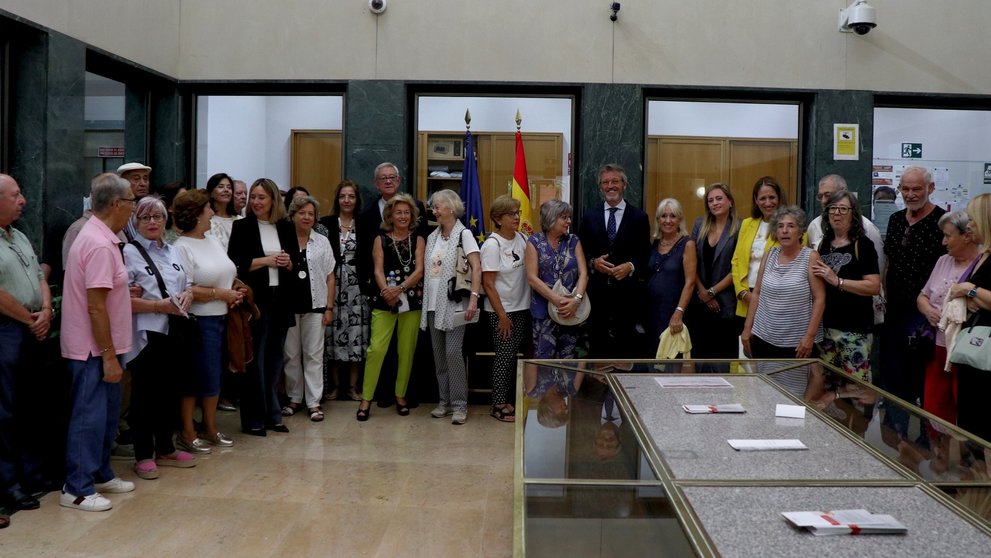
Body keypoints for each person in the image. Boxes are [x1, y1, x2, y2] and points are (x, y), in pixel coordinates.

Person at [60, 173, 137, 511]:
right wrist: (107, 356)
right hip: (92, 349)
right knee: (88, 417)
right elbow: (95, 306)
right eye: (132, 201)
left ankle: (101, 472)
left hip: (108, 347)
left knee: (106, 415)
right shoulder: (97, 242)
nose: (134, 208)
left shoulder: (107, 238)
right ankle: (76, 487)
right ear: (117, 204)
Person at [121, 197, 198, 480]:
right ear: (135, 222)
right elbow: (125, 297)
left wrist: (189, 294)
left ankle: (166, 447)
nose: (152, 222)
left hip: (174, 329)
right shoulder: (129, 252)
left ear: (166, 220)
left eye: (158, 217)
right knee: (145, 395)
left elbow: (186, 283)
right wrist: (158, 305)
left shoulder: (173, 251)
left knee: (170, 391)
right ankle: (143, 453)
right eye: (145, 218)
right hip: (146, 331)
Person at [172, 189, 243, 451]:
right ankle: (188, 432)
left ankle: (211, 427)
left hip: (222, 317)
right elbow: (186, 288)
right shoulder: (181, 247)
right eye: (208, 209)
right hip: (197, 322)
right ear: (197, 213)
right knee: (194, 377)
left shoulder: (211, 238)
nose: (213, 213)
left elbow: (225, 271)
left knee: (215, 376)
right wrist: (221, 293)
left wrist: (235, 289)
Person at [0, 174, 53, 522]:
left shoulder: (17, 235)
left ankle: (32, 473)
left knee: (30, 404)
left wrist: (47, 310)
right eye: (16, 195)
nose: (24, 200)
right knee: (3, 410)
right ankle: (8, 484)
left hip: (34, 325)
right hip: (8, 328)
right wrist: (29, 319)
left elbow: (38, 277)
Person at [228, 178, 296, 436]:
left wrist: (287, 262)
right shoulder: (242, 227)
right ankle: (253, 419)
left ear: (273, 201)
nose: (255, 202)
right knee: (256, 359)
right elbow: (237, 262)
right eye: (253, 197)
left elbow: (294, 265)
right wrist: (267, 260)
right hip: (256, 301)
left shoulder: (286, 227)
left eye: (261, 197)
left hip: (281, 300)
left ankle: (273, 415)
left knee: (275, 359)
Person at [881, 166, 946, 408]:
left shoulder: (941, 221)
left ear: (930, 188)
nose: (910, 194)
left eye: (916, 188)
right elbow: (889, 262)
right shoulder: (895, 220)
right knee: (891, 373)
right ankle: (891, 432)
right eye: (905, 189)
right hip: (894, 310)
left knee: (919, 378)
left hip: (925, 314)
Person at [356, 193, 425, 421]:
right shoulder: (380, 238)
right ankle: (366, 400)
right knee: (376, 350)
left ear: (412, 215)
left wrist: (400, 289)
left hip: (411, 299)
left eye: (407, 212)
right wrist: (388, 291)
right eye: (398, 212)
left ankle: (401, 396)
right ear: (390, 215)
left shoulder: (418, 239)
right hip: (384, 300)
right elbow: (377, 269)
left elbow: (420, 270)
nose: (403, 216)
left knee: (406, 351)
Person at [577, 163, 650, 358]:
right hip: (597, 296)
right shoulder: (589, 217)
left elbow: (645, 254)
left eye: (615, 181)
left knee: (626, 349)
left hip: (627, 297)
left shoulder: (639, 217)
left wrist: (630, 266)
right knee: (597, 350)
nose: (610, 186)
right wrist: (593, 262)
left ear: (624, 184)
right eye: (605, 182)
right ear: (600, 187)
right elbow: (581, 252)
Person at [420, 190, 480, 425]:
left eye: (438, 206)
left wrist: (474, 298)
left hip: (455, 305)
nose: (434, 211)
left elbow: (477, 267)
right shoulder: (433, 236)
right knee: (440, 357)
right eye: (433, 207)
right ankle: (443, 402)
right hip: (433, 304)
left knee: (454, 354)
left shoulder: (464, 234)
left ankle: (459, 405)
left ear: (452, 208)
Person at [810, 191, 881, 381]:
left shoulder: (863, 245)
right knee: (825, 386)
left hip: (854, 330)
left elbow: (874, 286)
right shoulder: (823, 244)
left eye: (843, 209)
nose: (837, 213)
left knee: (856, 387)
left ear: (853, 213)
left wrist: (838, 281)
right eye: (832, 208)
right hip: (826, 329)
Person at [917, 211, 978, 424]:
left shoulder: (982, 264)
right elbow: (922, 296)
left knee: (964, 415)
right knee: (933, 410)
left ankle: (962, 457)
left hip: (964, 351)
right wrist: (928, 310)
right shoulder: (943, 261)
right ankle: (938, 455)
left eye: (948, 236)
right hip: (936, 347)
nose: (943, 242)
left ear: (967, 236)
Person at [742, 206, 825, 359]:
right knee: (765, 382)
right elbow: (757, 293)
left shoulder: (811, 257)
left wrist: (810, 336)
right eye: (780, 226)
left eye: (790, 226)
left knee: (796, 383)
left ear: (800, 232)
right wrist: (747, 328)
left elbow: (819, 299)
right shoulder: (769, 255)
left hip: (798, 343)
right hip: (764, 337)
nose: (784, 230)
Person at [281, 196, 336, 422]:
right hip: (289, 306)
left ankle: (314, 402)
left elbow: (330, 276)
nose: (306, 217)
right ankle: (294, 398)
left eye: (311, 214)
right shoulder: (283, 240)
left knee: (314, 355)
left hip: (316, 305)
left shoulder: (322, 241)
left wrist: (329, 308)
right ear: (292, 214)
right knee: (291, 355)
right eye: (302, 212)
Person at [480, 195, 531, 423]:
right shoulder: (492, 245)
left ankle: (507, 398)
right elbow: (488, 284)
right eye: (511, 214)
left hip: (522, 307)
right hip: (502, 311)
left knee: (512, 357)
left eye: (518, 213)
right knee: (504, 357)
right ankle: (498, 404)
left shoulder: (522, 238)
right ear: (497, 219)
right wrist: (502, 316)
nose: (517, 217)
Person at [946, 194, 991, 442]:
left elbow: (973, 293)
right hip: (971, 347)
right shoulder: (982, 255)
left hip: (986, 352)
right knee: (971, 424)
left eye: (972, 219)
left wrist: (969, 290)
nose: (969, 225)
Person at [319, 180, 368, 402]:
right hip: (332, 288)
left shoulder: (365, 223)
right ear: (337, 199)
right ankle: (336, 387)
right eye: (342, 196)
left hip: (358, 290)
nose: (346, 200)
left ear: (357, 200)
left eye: (351, 196)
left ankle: (353, 386)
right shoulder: (325, 224)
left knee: (357, 338)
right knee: (334, 339)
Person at [686, 183, 740, 368]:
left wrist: (713, 291)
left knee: (721, 363)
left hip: (725, 305)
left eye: (719, 198)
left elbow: (738, 268)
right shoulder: (700, 224)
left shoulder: (740, 227)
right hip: (699, 303)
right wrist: (704, 293)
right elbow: (692, 262)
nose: (715, 203)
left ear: (730, 202)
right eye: (710, 200)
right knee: (699, 360)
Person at [526, 200, 588, 360]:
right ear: (551, 218)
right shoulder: (534, 242)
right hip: (543, 312)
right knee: (544, 361)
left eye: (569, 217)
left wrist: (576, 300)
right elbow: (532, 278)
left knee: (568, 361)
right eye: (564, 217)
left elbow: (584, 274)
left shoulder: (574, 241)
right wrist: (556, 300)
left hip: (571, 311)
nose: (569, 221)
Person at [356, 162, 429, 299]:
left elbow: (424, 239)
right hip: (378, 286)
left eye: (392, 177)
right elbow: (362, 251)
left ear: (399, 180)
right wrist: (366, 285)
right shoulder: (365, 214)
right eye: (383, 178)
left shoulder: (416, 207)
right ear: (376, 183)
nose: (388, 181)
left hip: (412, 283)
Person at [644, 198, 696, 355]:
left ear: (679, 219)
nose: (668, 220)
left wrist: (678, 312)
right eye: (663, 216)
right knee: (652, 360)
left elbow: (690, 282)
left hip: (673, 312)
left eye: (672, 216)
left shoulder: (688, 244)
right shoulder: (654, 243)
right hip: (651, 312)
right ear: (658, 220)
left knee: (671, 360)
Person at [732, 176, 786, 324]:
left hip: (775, 301)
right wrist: (742, 293)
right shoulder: (746, 224)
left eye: (772, 197)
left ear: (779, 198)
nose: (767, 203)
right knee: (746, 345)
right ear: (756, 200)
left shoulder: (791, 226)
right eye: (762, 198)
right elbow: (736, 261)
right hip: (746, 299)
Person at [806, 175, 884, 271]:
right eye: (820, 196)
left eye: (828, 195)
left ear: (844, 192)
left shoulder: (867, 228)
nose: (823, 201)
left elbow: (878, 272)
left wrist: (839, 281)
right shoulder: (814, 226)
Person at [117, 162, 153, 241]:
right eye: (136, 179)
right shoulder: (117, 211)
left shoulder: (153, 207)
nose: (143, 184)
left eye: (145, 179)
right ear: (123, 183)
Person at [206, 172, 239, 249]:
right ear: (211, 193)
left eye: (229, 187)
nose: (226, 190)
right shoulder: (207, 221)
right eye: (221, 187)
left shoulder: (240, 220)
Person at [157, 180, 188, 245]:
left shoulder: (197, 232)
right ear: (170, 208)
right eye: (182, 199)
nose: (188, 202)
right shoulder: (164, 238)